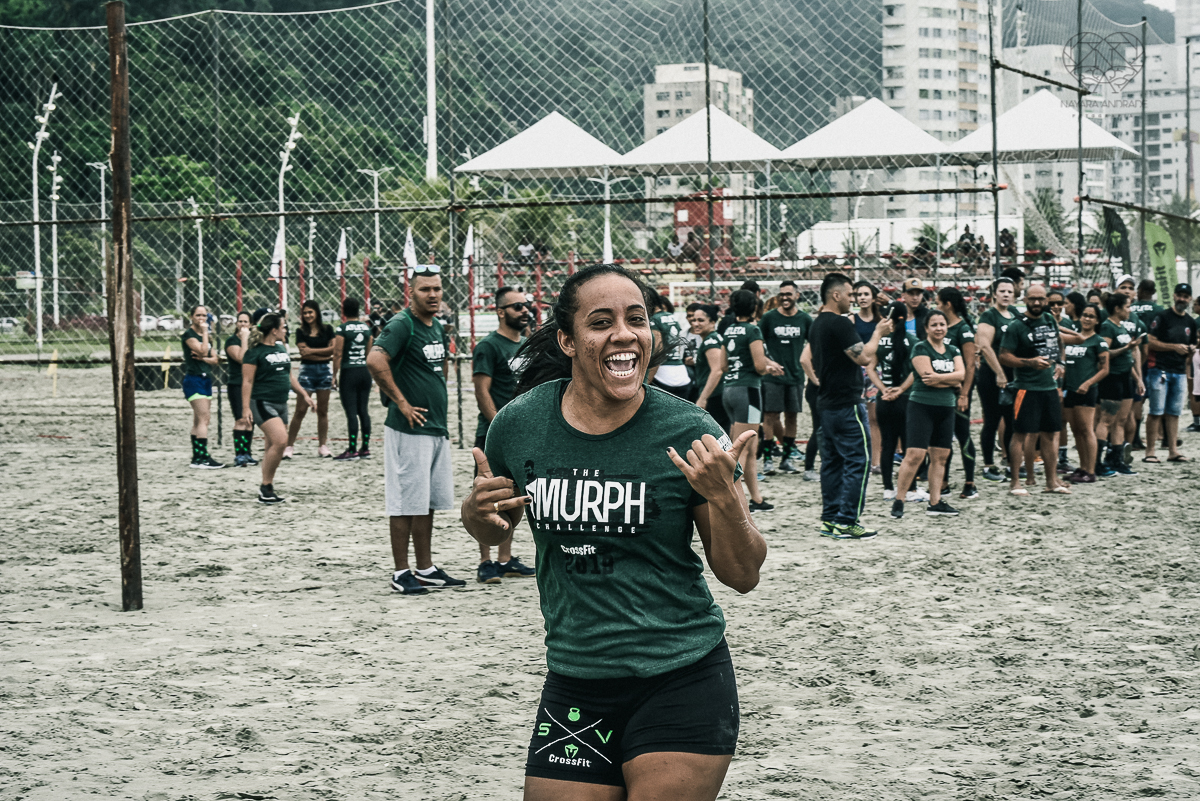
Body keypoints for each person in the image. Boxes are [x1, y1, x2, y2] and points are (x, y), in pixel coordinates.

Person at [460, 263, 765, 799]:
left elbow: (742, 575)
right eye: (601, 322)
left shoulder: (690, 432)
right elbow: (494, 524)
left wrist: (725, 499)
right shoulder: (518, 424)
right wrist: (475, 517)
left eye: (637, 319)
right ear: (569, 340)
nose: (624, 334)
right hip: (576, 678)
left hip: (683, 675)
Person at [365, 266, 466, 594]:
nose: (433, 295)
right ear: (412, 292)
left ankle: (425, 568)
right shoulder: (401, 323)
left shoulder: (436, 325)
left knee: (427, 502)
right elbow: (375, 360)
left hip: (434, 427)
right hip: (409, 429)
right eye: (425, 290)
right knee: (406, 502)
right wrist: (402, 402)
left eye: (437, 288)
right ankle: (401, 572)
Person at [810, 272, 894, 538]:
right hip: (846, 402)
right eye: (849, 294)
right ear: (836, 295)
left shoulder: (817, 323)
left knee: (832, 463)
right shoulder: (839, 323)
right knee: (859, 460)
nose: (853, 300)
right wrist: (878, 332)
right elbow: (864, 358)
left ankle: (830, 519)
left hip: (826, 403)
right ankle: (847, 521)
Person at [472, 286, 537, 584]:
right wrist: (498, 427)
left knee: (514, 497)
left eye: (526, 306)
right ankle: (486, 561)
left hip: (522, 434)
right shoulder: (489, 346)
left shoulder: (526, 346)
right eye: (517, 307)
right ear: (500, 312)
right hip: (493, 434)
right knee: (488, 494)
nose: (524, 311)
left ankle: (506, 558)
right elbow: (482, 391)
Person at [890, 310, 965, 518]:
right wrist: (952, 380)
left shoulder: (953, 349)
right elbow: (925, 377)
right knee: (915, 454)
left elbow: (962, 374)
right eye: (934, 325)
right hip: (922, 406)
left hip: (946, 407)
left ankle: (935, 501)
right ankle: (899, 499)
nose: (939, 328)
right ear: (926, 328)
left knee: (940, 456)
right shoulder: (920, 348)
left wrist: (944, 378)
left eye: (942, 324)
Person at [999, 283, 1069, 495]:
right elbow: (1004, 356)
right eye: (1032, 299)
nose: (1037, 303)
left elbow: (1059, 342)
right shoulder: (1016, 326)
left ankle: (1051, 482)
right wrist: (1029, 362)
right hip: (1025, 387)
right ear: (1025, 300)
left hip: (1049, 386)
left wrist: (1061, 363)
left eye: (1040, 298)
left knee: (1049, 434)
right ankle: (1015, 483)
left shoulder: (1049, 320)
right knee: (1020, 434)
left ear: (1046, 299)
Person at [239, 313, 316, 503]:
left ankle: (266, 488)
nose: (286, 329)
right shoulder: (255, 352)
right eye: (283, 326)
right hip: (262, 402)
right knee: (281, 441)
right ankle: (266, 486)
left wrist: (304, 394)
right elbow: (247, 381)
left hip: (281, 403)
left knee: (271, 446)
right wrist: (245, 409)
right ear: (274, 330)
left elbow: (289, 378)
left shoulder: (281, 348)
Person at [721, 289, 784, 511]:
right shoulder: (752, 330)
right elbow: (758, 366)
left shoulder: (729, 329)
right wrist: (769, 369)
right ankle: (734, 499)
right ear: (755, 307)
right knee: (742, 450)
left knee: (748, 448)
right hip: (748, 391)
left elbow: (723, 366)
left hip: (729, 390)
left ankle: (755, 499)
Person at [866, 302, 928, 504]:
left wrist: (883, 388)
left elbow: (870, 368)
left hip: (884, 399)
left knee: (887, 445)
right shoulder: (912, 341)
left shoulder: (881, 341)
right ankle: (910, 489)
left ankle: (887, 489)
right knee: (910, 446)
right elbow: (916, 370)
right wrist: (901, 389)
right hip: (906, 398)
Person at [760, 280, 812, 475]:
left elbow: (814, 344)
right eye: (782, 294)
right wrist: (767, 362)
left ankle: (787, 458)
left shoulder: (805, 319)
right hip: (772, 377)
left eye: (788, 294)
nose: (785, 297)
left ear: (797, 295)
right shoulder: (768, 318)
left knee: (792, 417)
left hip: (796, 376)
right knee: (770, 416)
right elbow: (756, 345)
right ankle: (767, 459)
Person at [1143, 283, 1197, 463]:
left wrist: (1189, 349)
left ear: (1189, 299)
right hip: (1159, 369)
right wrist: (1173, 347)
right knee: (1156, 411)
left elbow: (1193, 344)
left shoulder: (1190, 321)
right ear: (1174, 296)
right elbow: (1150, 341)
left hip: (1179, 371)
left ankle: (1173, 450)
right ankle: (1150, 451)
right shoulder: (1163, 317)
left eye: (1186, 296)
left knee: (1174, 413)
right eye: (1179, 295)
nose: (1182, 298)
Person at [1095, 292, 1144, 477]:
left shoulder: (1122, 326)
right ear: (1117, 308)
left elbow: (1126, 359)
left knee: (1121, 421)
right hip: (1112, 378)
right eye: (1127, 306)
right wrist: (1126, 348)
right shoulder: (1107, 327)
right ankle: (1097, 461)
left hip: (1125, 377)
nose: (1129, 310)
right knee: (1106, 420)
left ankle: (1116, 460)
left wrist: (1137, 378)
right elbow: (1105, 353)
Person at [937, 287, 979, 499]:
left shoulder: (963, 330)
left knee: (962, 434)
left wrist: (964, 393)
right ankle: (943, 483)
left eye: (938, 303)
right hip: (941, 390)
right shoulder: (941, 328)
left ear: (948, 304)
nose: (936, 307)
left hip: (958, 390)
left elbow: (971, 366)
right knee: (942, 436)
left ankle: (970, 483)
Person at [975, 278, 1018, 482]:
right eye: (1002, 291)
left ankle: (1010, 463)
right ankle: (988, 464)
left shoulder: (1016, 314)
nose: (1006, 295)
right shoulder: (989, 315)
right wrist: (999, 373)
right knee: (992, 420)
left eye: (1010, 291)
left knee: (1011, 420)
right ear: (994, 293)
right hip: (991, 374)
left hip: (1013, 374)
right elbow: (984, 346)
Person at [1062, 303, 1109, 483]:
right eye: (1085, 315)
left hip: (1086, 390)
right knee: (1075, 430)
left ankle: (1091, 470)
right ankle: (1082, 468)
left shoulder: (1098, 341)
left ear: (1097, 320)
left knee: (1086, 429)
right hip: (1070, 389)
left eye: (1091, 316)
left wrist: (1088, 383)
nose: (1087, 319)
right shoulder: (1074, 338)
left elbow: (1105, 369)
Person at [284, 300, 335, 459]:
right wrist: (323, 352)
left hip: (324, 370)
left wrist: (312, 351)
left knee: (322, 411)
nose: (307, 316)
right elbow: (303, 352)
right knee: (300, 410)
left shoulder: (328, 329)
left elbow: (334, 349)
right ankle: (289, 446)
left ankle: (322, 445)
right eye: (305, 313)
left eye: (310, 312)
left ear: (317, 313)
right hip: (307, 371)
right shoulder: (300, 331)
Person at [181, 305, 225, 469]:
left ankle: (197, 456)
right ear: (192, 317)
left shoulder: (204, 337)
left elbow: (214, 359)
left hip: (206, 379)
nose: (202, 319)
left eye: (204, 315)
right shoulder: (189, 335)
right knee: (204, 418)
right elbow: (202, 350)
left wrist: (202, 359)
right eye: (198, 315)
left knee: (199, 419)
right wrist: (206, 333)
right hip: (194, 379)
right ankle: (203, 457)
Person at [331, 297, 374, 461]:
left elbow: (338, 353)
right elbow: (369, 353)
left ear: (344, 311)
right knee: (363, 410)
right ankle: (365, 448)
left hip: (349, 371)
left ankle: (352, 449)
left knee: (351, 411)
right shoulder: (366, 329)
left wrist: (334, 375)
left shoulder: (342, 329)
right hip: (364, 370)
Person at [853, 281, 885, 474]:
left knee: (874, 418)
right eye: (859, 294)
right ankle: (860, 459)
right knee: (856, 417)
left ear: (873, 297)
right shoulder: (851, 320)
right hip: (855, 370)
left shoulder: (880, 320)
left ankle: (875, 462)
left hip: (875, 371)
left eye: (866, 294)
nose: (862, 298)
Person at [224, 311, 258, 467]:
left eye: (246, 322)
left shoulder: (255, 341)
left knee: (250, 420)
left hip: (252, 384)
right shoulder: (231, 341)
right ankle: (239, 454)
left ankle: (247, 452)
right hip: (237, 384)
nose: (243, 324)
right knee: (240, 419)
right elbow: (242, 358)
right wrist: (244, 338)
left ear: (250, 324)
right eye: (240, 321)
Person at [691, 304, 729, 432]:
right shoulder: (715, 338)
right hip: (720, 393)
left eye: (701, 320)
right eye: (694, 320)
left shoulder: (710, 341)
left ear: (713, 322)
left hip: (715, 395)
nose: (696, 324)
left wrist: (703, 398)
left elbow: (717, 370)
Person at [647, 295, 691, 398]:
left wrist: (646, 381)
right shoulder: (673, 317)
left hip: (663, 374)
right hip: (681, 372)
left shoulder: (654, 319)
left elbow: (658, 349)